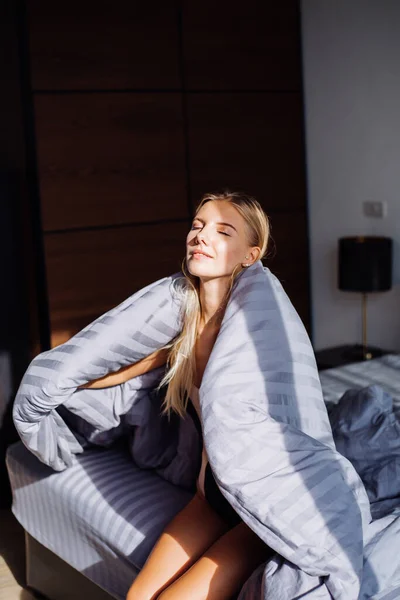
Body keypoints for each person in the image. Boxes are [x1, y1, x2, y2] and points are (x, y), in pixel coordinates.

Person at [80, 191, 274, 600]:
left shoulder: (259, 333)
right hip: (210, 496)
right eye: (197, 226)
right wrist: (59, 379)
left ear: (250, 255)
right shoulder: (183, 327)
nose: (200, 236)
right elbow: (117, 371)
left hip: (259, 511)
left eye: (223, 231)